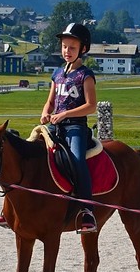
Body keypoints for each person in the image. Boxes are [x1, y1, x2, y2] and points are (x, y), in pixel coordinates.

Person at [42, 22, 100, 233]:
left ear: (83, 49)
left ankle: (87, 210)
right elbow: (50, 101)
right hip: (55, 127)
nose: (67, 51)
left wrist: (65, 114)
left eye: (72, 47)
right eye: (64, 46)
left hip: (75, 128)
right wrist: (45, 113)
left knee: (77, 160)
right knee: (30, 147)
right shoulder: (57, 74)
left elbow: (91, 106)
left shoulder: (85, 75)